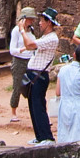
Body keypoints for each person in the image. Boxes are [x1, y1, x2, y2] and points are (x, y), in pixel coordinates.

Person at [24, 8, 60, 142]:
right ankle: (39, 136)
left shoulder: (52, 38)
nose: (39, 23)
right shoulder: (45, 37)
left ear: (49, 23)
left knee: (39, 105)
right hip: (33, 75)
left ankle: (47, 137)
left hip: (39, 76)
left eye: (42, 21)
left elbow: (29, 45)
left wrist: (22, 30)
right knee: (33, 106)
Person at [7, 8, 36, 123]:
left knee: (33, 87)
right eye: (30, 19)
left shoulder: (31, 30)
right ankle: (13, 111)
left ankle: (34, 110)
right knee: (17, 86)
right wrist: (24, 48)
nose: (32, 21)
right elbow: (12, 50)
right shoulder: (16, 31)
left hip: (31, 60)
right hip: (19, 61)